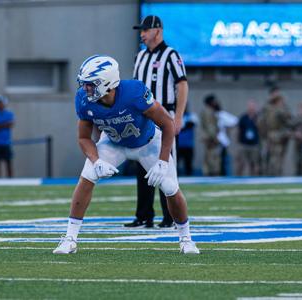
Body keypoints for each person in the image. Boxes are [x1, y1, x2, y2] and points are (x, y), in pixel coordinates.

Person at [53, 55, 199, 255]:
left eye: (90, 84)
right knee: (87, 177)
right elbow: (84, 138)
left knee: (170, 188)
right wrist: (96, 161)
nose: (85, 89)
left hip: (148, 143)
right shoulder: (84, 100)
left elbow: (167, 124)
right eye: (84, 84)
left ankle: (186, 239)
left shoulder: (134, 92)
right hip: (113, 143)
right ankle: (69, 238)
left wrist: (163, 161)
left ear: (107, 83)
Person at [125, 15, 189, 228]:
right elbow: (135, 88)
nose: (142, 34)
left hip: (165, 115)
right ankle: (144, 214)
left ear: (158, 31)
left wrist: (178, 116)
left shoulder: (171, 55)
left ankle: (170, 215)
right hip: (143, 117)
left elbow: (182, 85)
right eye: (141, 30)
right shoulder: (140, 57)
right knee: (142, 164)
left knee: (166, 165)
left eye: (145, 30)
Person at [236, 100, 261, 176]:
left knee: (254, 164)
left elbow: (262, 130)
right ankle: (238, 179)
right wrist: (238, 142)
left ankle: (254, 179)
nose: (251, 108)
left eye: (253, 107)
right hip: (244, 144)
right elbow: (238, 130)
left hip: (254, 144)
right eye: (250, 107)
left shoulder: (258, 118)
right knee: (241, 163)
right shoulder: (243, 118)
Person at [200, 94, 221, 176]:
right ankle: (211, 173)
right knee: (212, 157)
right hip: (210, 138)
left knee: (209, 156)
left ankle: (209, 172)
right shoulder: (208, 111)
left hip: (208, 137)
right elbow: (210, 126)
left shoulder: (209, 111)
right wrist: (214, 138)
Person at [176, 107, 198, 176]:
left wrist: (180, 126)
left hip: (188, 145)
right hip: (178, 145)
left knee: (188, 164)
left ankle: (190, 177)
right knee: (176, 164)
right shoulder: (175, 116)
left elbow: (191, 124)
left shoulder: (191, 116)